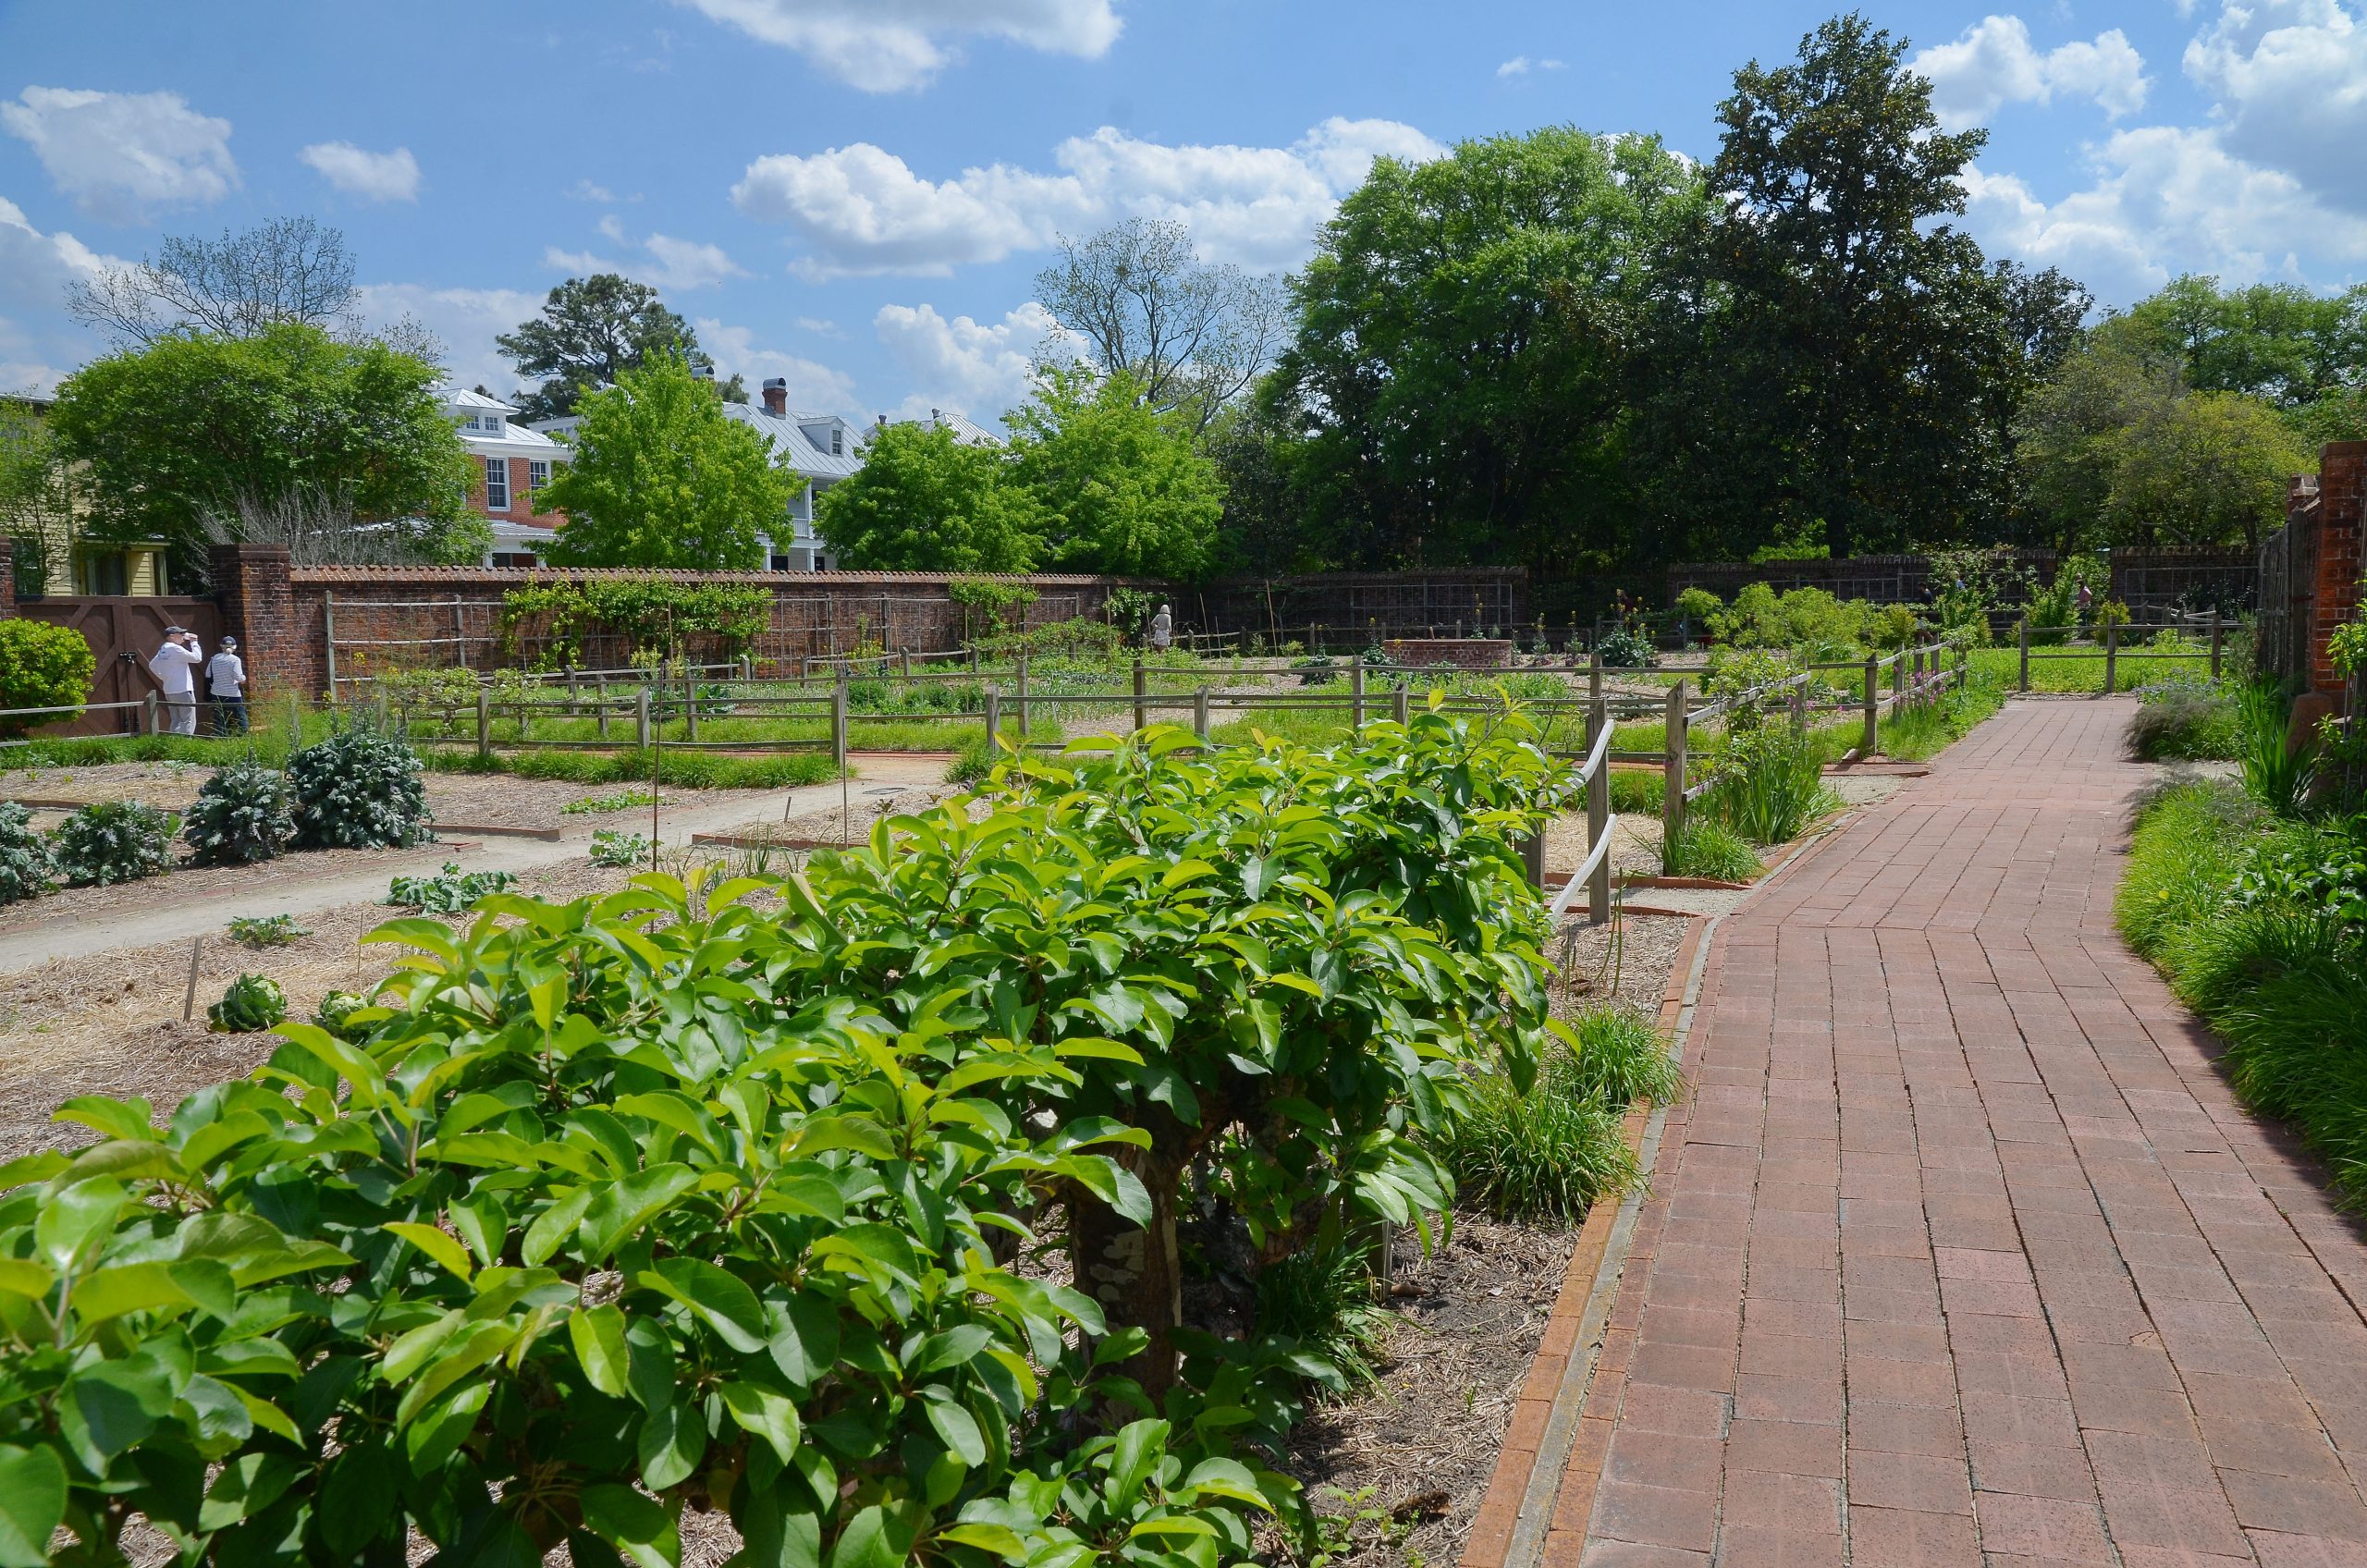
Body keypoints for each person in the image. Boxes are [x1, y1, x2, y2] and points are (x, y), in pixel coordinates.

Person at [147, 627, 202, 736]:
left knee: (176, 719)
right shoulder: (176, 648)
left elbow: (152, 665)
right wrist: (194, 642)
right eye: (181, 634)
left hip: (169, 689)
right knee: (188, 719)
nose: (183, 636)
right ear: (172, 636)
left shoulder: (164, 648)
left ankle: (174, 740)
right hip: (183, 689)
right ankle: (186, 742)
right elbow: (197, 658)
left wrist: (164, 677)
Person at [206, 636, 249, 735]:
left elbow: (208, 674)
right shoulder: (235, 660)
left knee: (220, 718)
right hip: (233, 693)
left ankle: (221, 736)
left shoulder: (214, 658)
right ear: (234, 647)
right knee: (241, 716)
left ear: (222, 646)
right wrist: (244, 678)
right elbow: (238, 677)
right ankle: (243, 736)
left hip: (217, 692)